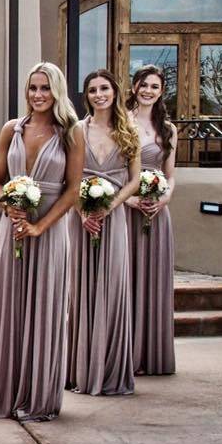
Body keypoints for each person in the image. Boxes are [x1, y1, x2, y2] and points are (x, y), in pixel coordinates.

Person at [0, 62, 83, 421]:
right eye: (33, 88)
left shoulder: (71, 133)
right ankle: (7, 391)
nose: (38, 95)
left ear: (57, 92)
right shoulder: (11, 129)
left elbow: (73, 190)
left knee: (46, 308)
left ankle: (38, 397)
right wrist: (8, 206)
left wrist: (41, 227)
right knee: (13, 306)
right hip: (15, 227)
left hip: (50, 230)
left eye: (45, 88)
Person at [67, 69, 140, 395]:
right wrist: (83, 212)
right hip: (81, 218)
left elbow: (135, 179)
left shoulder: (129, 130)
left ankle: (109, 371)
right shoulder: (77, 131)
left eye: (105, 88)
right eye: (93, 89)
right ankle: (80, 369)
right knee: (81, 287)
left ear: (115, 92)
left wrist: (111, 206)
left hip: (114, 217)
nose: (99, 94)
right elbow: (69, 178)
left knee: (112, 287)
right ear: (87, 95)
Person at [126, 64, 177, 376]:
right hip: (129, 210)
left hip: (158, 213)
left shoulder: (168, 129)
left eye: (154, 87)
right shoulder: (123, 122)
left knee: (154, 280)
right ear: (134, 87)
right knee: (129, 278)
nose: (148, 91)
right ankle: (128, 353)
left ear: (161, 92)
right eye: (143, 85)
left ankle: (152, 354)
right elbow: (117, 171)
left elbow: (171, 176)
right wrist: (131, 200)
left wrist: (163, 198)